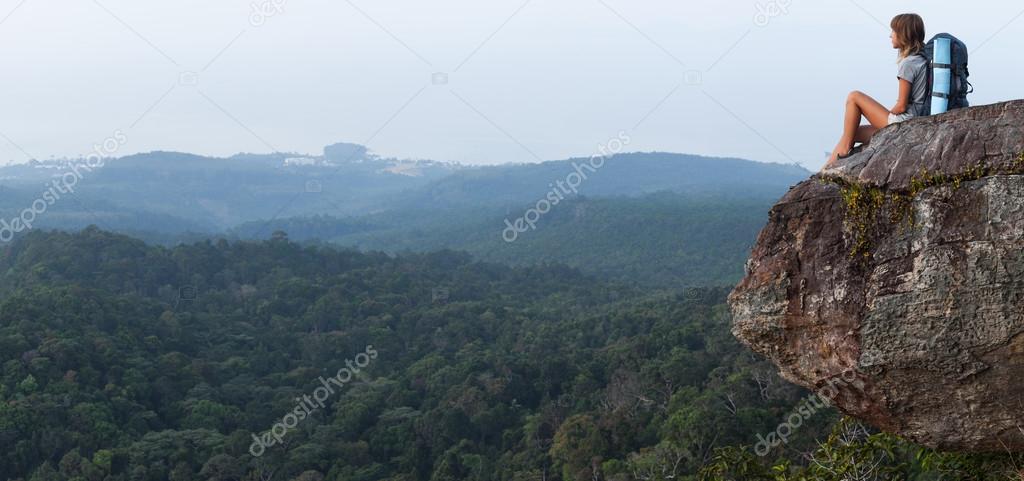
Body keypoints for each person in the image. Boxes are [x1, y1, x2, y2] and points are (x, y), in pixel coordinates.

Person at [825, 13, 929, 169]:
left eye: (893, 31)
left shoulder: (908, 64)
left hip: (905, 122)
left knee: (854, 97)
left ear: (903, 34)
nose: (890, 35)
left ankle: (844, 151)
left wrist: (887, 116)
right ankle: (824, 171)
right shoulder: (922, 59)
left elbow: (901, 106)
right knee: (854, 132)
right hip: (916, 119)